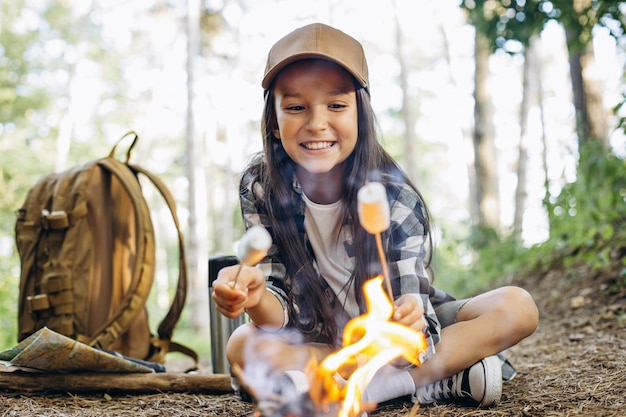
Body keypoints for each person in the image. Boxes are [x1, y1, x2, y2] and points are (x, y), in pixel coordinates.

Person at [211, 22, 539, 415]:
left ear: (360, 116)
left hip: (394, 342)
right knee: (241, 344)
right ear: (274, 124)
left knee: (518, 306)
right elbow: (279, 312)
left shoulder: (394, 196)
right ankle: (443, 380)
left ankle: (367, 389)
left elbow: (413, 327)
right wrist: (255, 296)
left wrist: (408, 323)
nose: (316, 123)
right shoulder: (260, 187)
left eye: (336, 105)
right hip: (321, 335)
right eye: (296, 107)